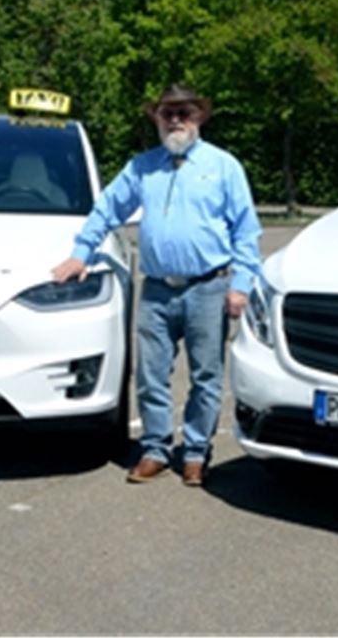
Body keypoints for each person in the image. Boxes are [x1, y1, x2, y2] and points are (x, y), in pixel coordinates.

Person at [52, 85, 261, 486]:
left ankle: (196, 453)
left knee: (206, 377)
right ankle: (155, 449)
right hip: (158, 290)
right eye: (168, 113)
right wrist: (81, 254)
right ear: (157, 119)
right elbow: (108, 208)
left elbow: (246, 231)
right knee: (150, 375)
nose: (175, 120)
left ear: (199, 117)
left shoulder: (224, 166)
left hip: (208, 287)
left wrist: (242, 284)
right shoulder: (142, 167)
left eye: (184, 112)